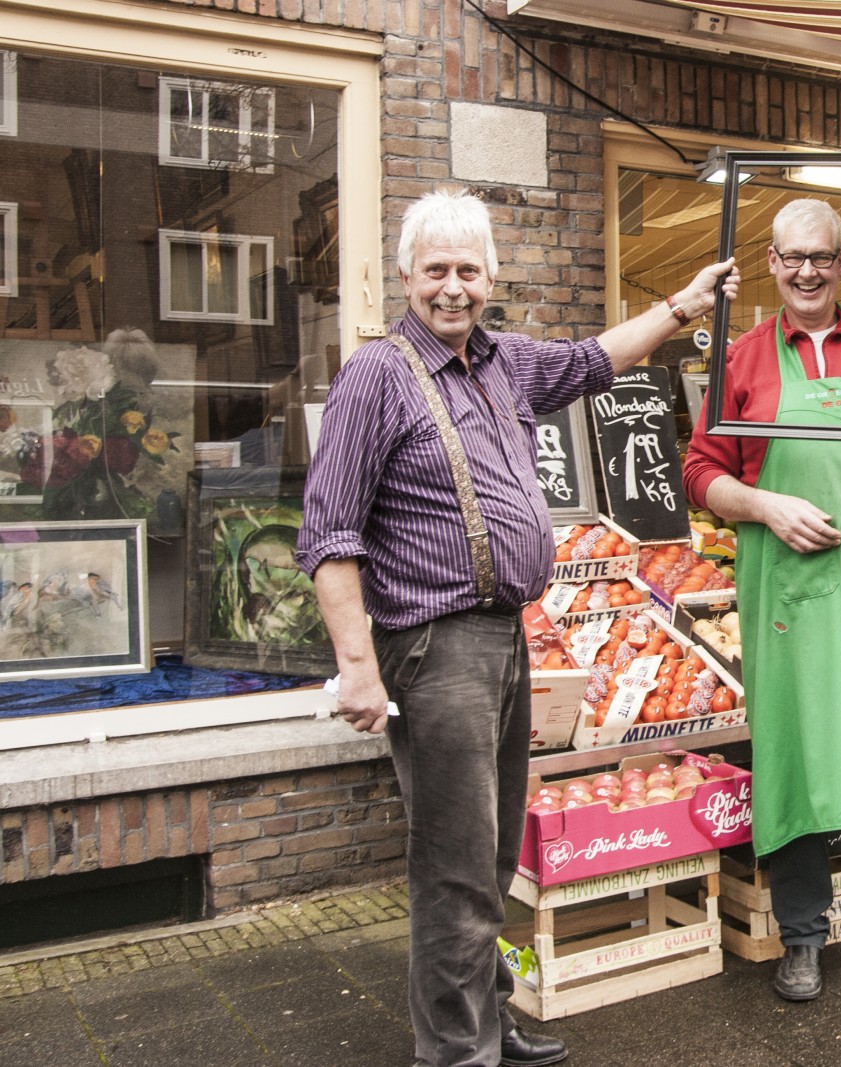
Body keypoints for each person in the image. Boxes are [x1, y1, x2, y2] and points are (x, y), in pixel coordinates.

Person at [296, 188, 738, 1067]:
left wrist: (681, 307)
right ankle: (456, 1052)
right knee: (455, 866)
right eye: (435, 271)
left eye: (468, 270)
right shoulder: (376, 376)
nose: (452, 288)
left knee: (494, 850)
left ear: (492, 276)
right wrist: (356, 666)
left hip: (502, 637)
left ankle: (487, 1020)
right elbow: (329, 532)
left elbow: (591, 359)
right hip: (435, 646)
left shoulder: (502, 363)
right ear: (405, 276)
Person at [682, 198, 841, 1001]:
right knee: (795, 754)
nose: (806, 271)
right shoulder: (746, 358)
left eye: (821, 258)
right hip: (789, 590)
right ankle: (799, 936)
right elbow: (699, 473)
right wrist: (766, 506)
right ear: (770, 263)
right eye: (792, 257)